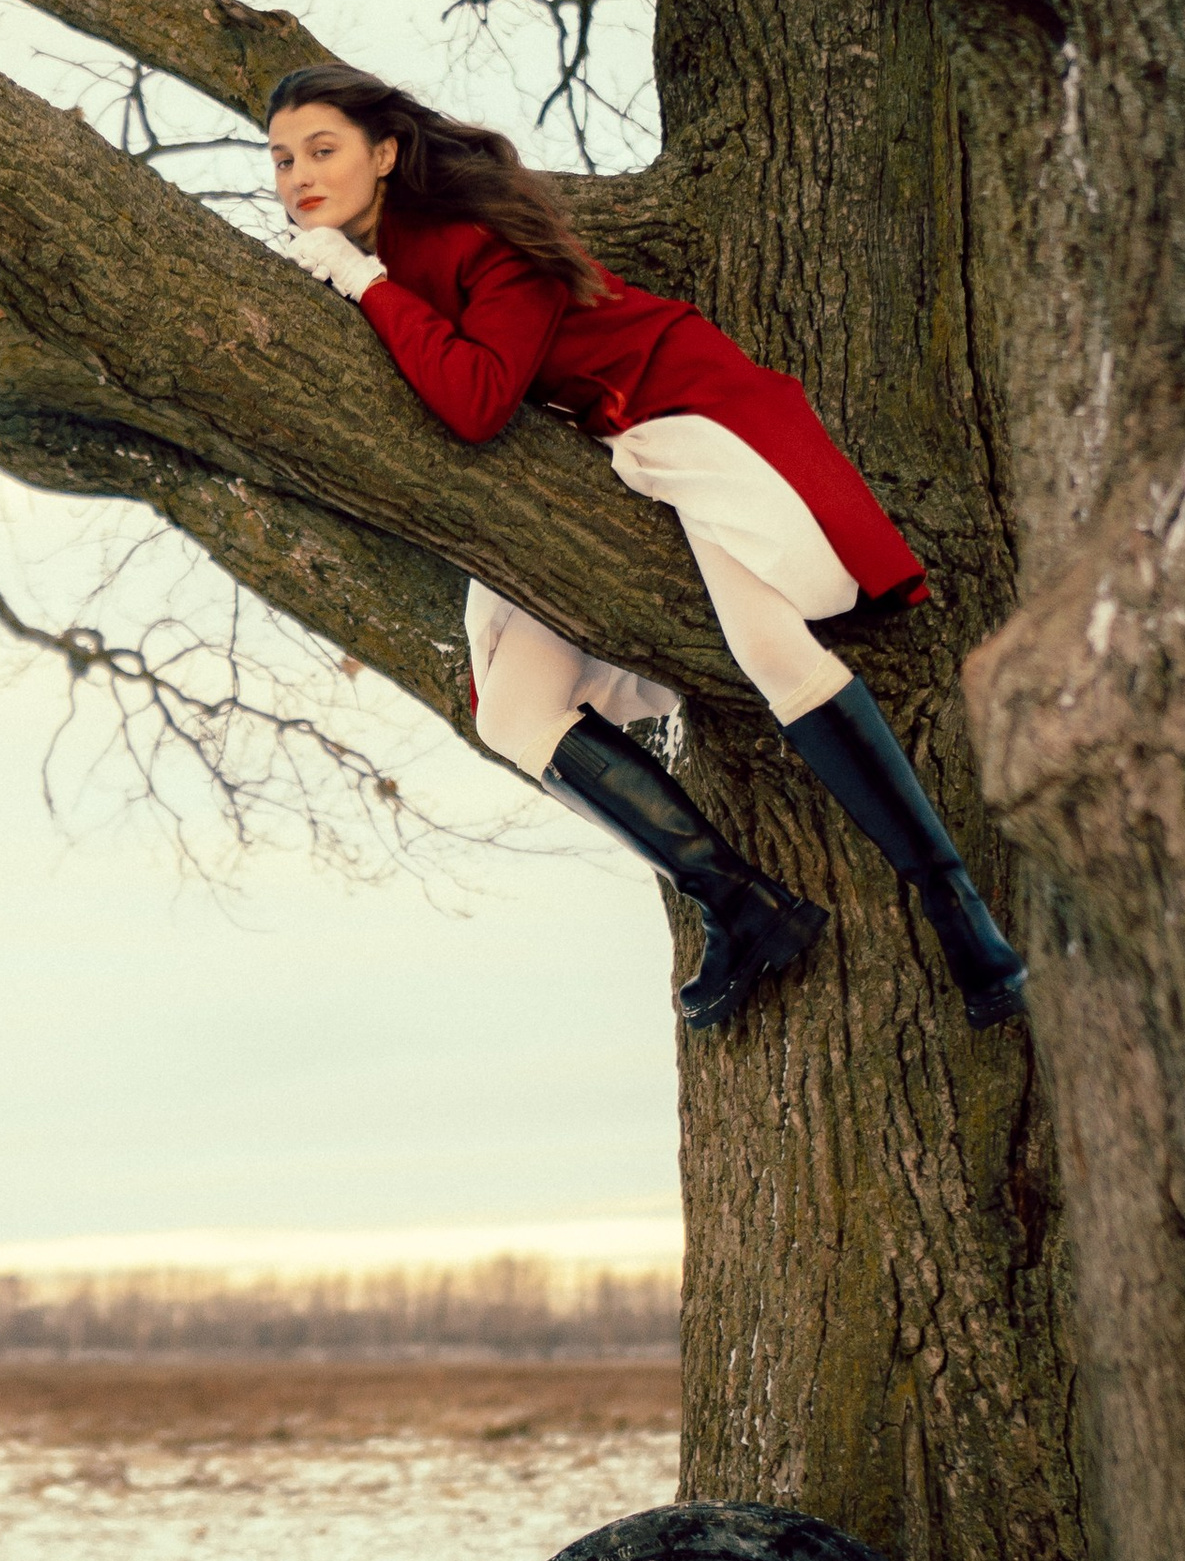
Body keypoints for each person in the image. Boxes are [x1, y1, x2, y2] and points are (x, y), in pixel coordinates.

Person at [265, 63, 1026, 1035]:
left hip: (683, 405)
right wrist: (357, 281)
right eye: (282, 159)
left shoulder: (472, 235)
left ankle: (956, 906)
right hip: (596, 455)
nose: (298, 176)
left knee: (768, 648)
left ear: (384, 153)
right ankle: (742, 905)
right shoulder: (378, 260)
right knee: (512, 711)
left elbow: (476, 400)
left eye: (321, 150)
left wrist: (364, 281)